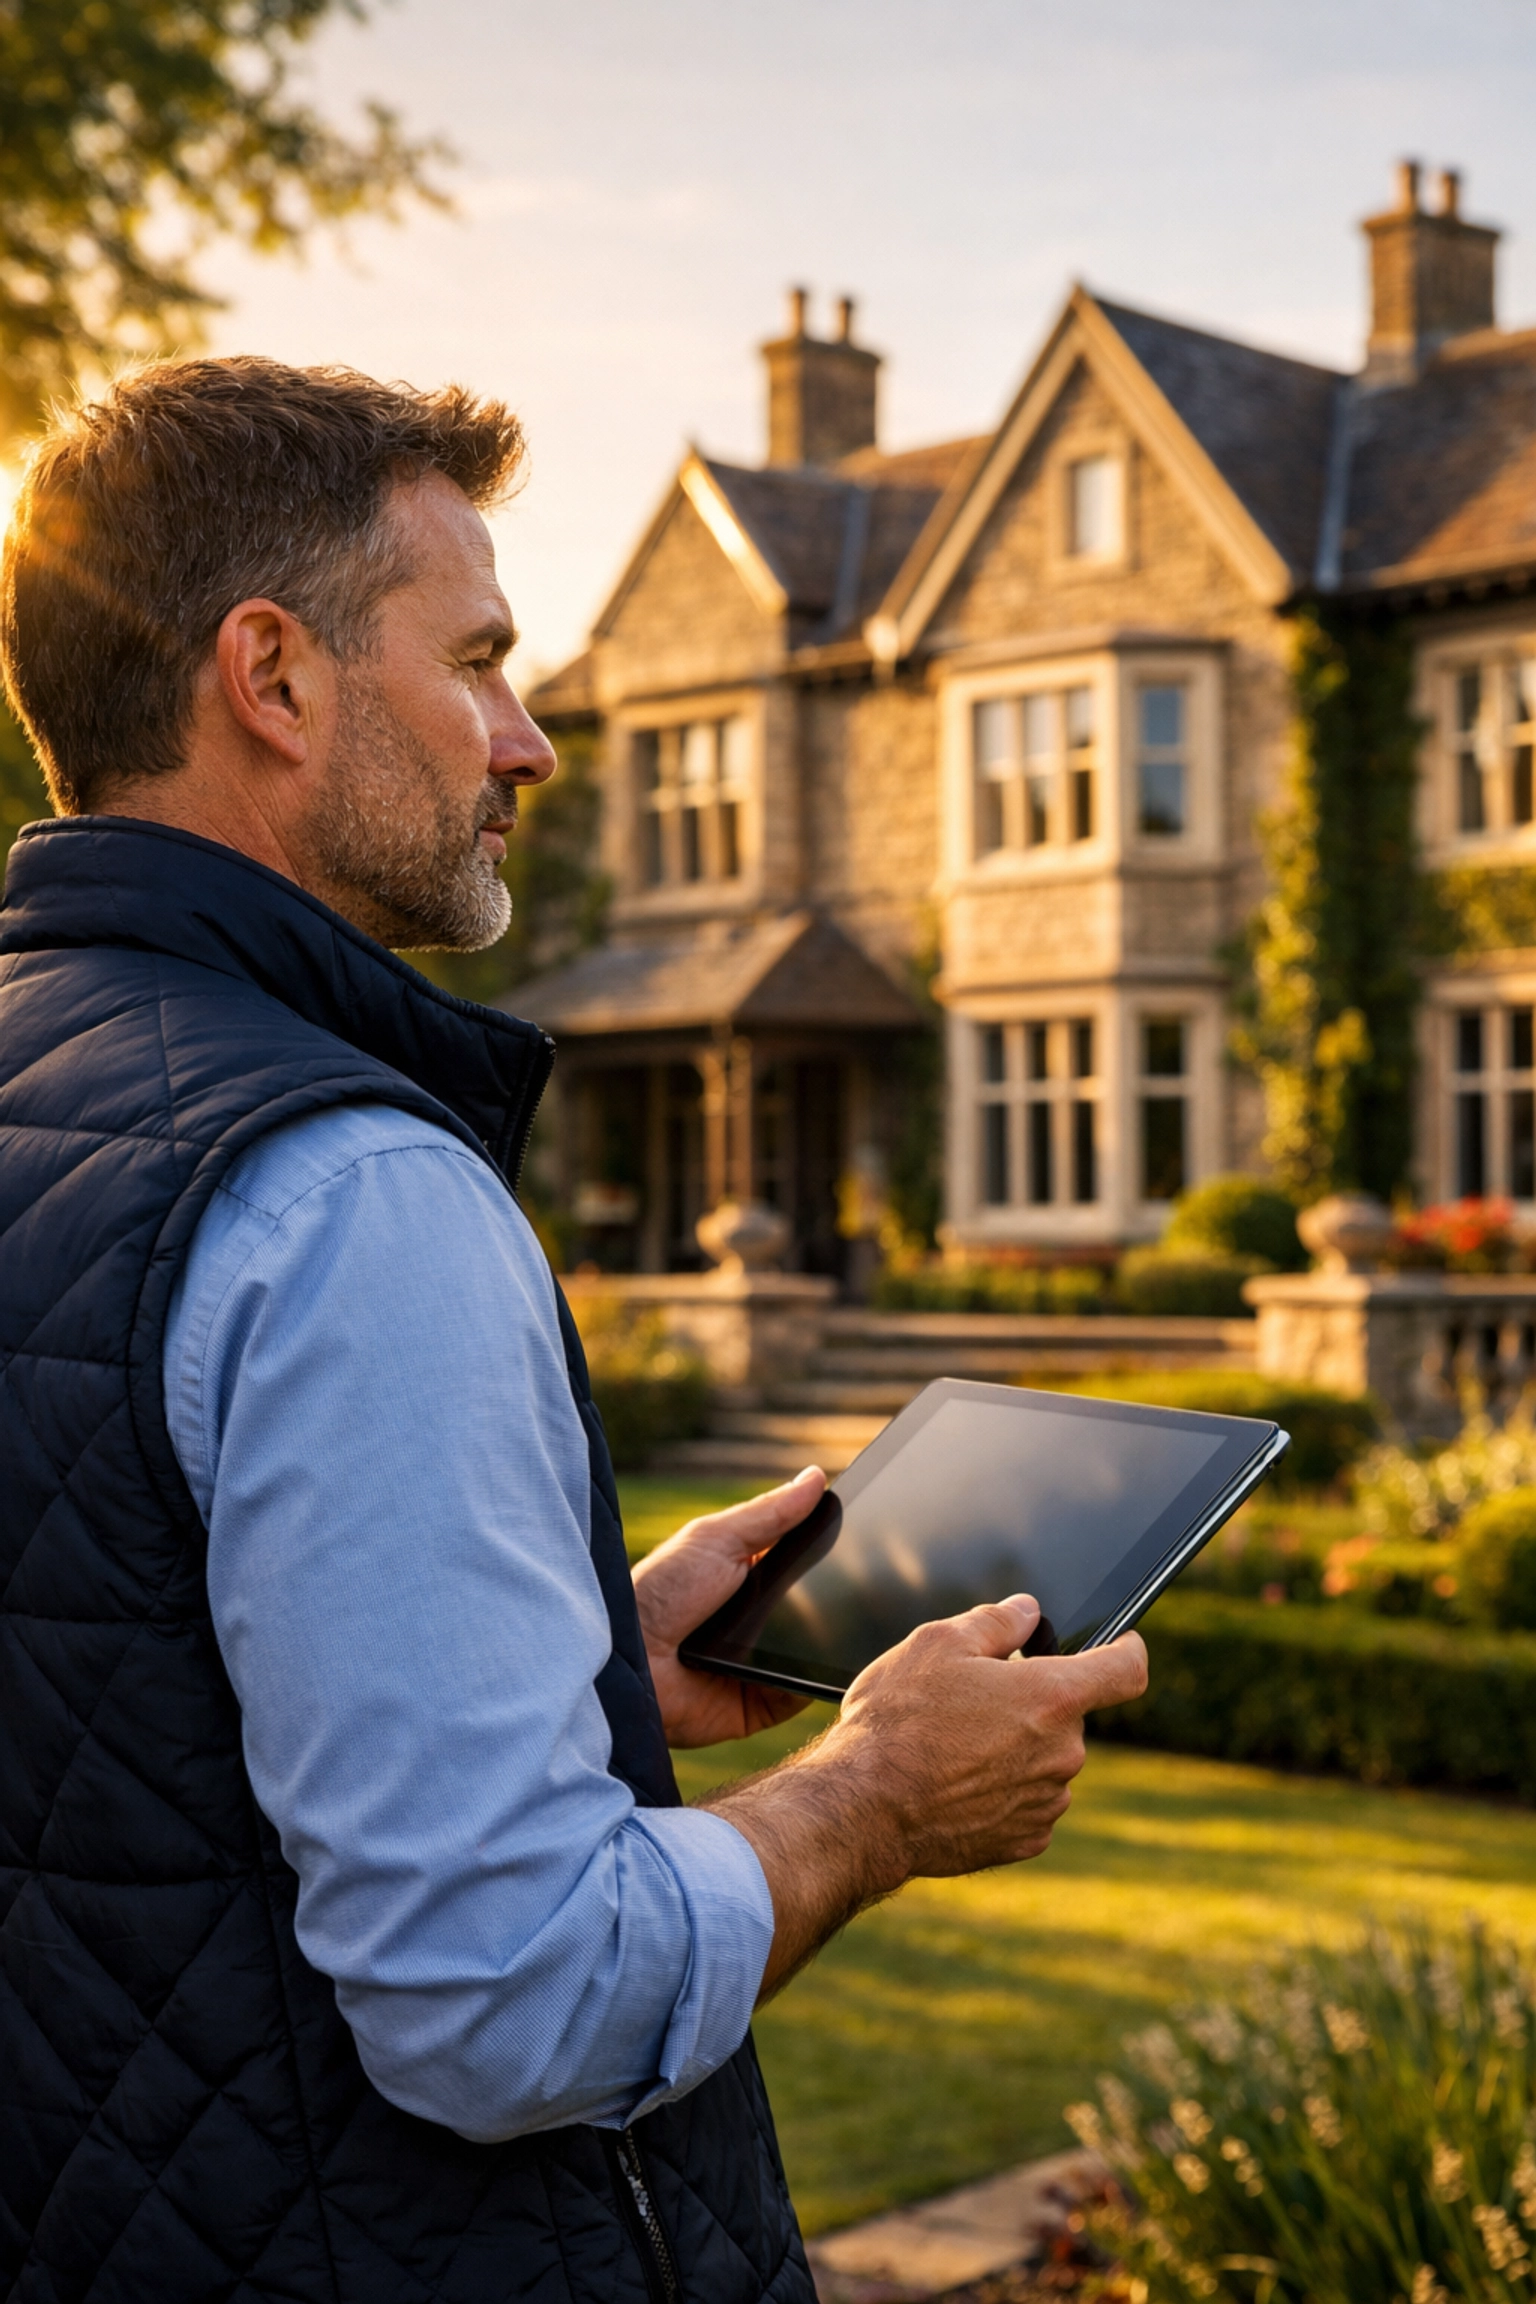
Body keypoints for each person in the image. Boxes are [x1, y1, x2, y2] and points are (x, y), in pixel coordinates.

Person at [0, 358, 1148, 2304]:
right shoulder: (347, 1187)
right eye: (477, 662)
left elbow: (105, 1670)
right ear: (271, 679)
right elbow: (513, 2000)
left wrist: (575, 1650)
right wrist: (870, 1793)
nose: (531, 743)